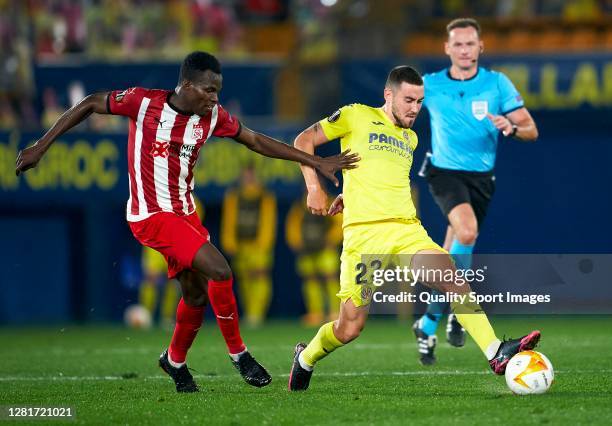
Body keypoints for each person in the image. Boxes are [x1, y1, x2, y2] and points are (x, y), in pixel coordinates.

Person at [15, 51, 358, 393]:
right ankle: (240, 355)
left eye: (217, 91)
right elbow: (91, 102)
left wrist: (313, 161)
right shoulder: (142, 103)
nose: (214, 98)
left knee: (194, 296)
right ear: (187, 85)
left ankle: (174, 361)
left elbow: (255, 140)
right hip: (151, 214)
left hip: (184, 213)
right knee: (220, 270)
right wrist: (40, 146)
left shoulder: (212, 117)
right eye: (209, 90)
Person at [287, 65, 540, 391]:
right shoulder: (355, 115)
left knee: (452, 277)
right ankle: (305, 358)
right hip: (365, 238)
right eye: (408, 100)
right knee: (349, 327)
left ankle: (496, 352)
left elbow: (380, 175)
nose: (414, 109)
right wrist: (313, 187)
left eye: (420, 102)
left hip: (407, 231)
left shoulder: (410, 137)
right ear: (388, 95)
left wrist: (350, 193)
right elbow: (303, 139)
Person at [413, 18, 539, 365]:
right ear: (447, 48)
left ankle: (426, 323)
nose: (465, 50)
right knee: (467, 231)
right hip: (444, 173)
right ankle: (460, 308)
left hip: (481, 179)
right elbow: (396, 112)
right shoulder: (431, 85)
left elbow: (531, 130)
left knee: (449, 254)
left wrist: (511, 126)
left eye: (471, 44)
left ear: (481, 47)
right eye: (458, 44)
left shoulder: (497, 84)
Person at [221, 165, 276, 327]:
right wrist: (229, 242)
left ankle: (257, 313)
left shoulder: (265, 195)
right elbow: (229, 221)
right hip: (241, 244)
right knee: (244, 278)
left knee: (259, 276)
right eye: (246, 176)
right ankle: (250, 313)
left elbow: (268, 220)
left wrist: (264, 243)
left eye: (251, 176)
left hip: (258, 245)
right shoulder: (234, 196)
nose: (248, 179)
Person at [286, 190, 342, 326]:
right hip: (306, 249)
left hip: (325, 248)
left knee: (330, 278)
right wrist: (296, 242)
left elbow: (339, 222)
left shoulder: (329, 201)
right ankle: (315, 312)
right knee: (310, 280)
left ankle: (335, 312)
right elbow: (293, 225)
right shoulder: (299, 206)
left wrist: (331, 240)